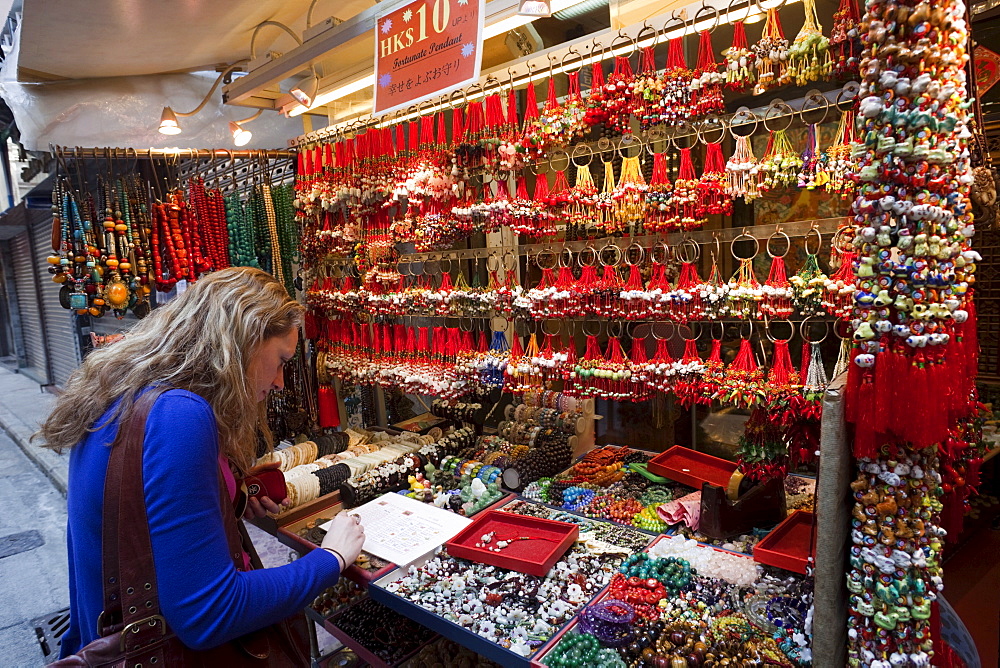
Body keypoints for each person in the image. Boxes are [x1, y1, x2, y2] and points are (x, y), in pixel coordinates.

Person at [39, 267, 365, 658]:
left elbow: (142, 515)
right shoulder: (180, 416)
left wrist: (230, 497)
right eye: (280, 360)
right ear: (243, 342)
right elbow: (211, 612)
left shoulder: (121, 392)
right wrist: (331, 558)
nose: (280, 382)